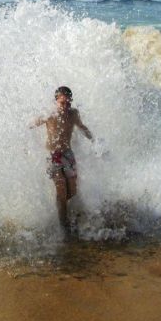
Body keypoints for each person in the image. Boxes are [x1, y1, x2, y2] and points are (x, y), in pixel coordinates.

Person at [32, 86, 93, 232]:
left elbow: (81, 126)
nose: (65, 106)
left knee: (72, 191)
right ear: (56, 102)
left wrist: (93, 140)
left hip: (68, 155)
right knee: (60, 190)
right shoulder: (49, 114)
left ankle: (67, 216)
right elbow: (31, 124)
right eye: (62, 103)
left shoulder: (73, 114)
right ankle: (63, 226)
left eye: (68, 103)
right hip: (52, 155)